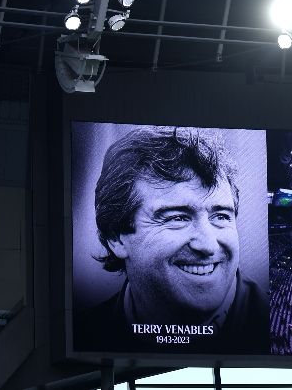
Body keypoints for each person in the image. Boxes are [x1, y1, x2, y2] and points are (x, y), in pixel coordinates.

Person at [74, 126, 268, 354]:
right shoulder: (84, 335)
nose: (207, 245)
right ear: (116, 237)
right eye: (177, 218)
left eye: (221, 216)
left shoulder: (275, 328)